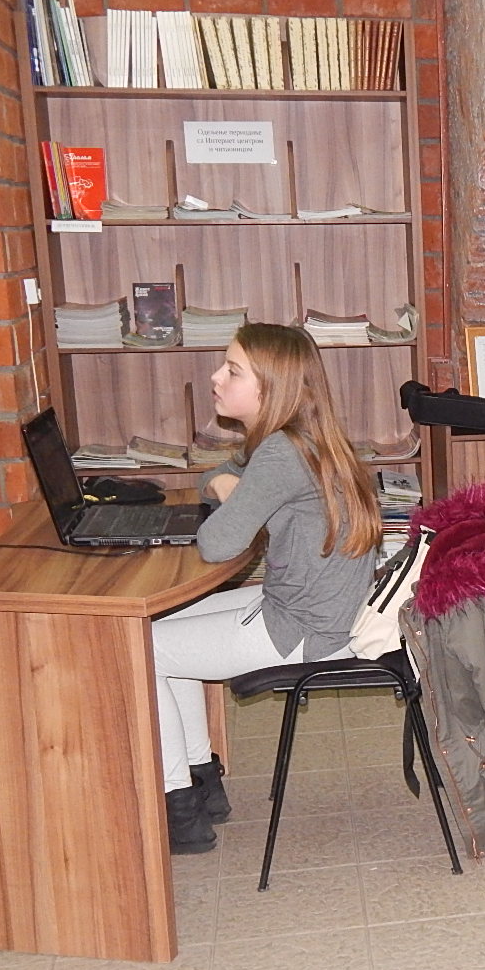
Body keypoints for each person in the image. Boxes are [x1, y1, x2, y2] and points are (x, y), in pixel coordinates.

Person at [151, 322, 381, 854]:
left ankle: (179, 807)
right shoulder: (302, 436)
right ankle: (200, 781)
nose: (216, 378)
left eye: (233, 371)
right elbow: (211, 476)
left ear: (270, 388)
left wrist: (231, 492)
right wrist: (228, 483)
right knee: (161, 624)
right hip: (318, 609)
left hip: (303, 627)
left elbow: (216, 545)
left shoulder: (281, 453)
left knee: (142, 649)